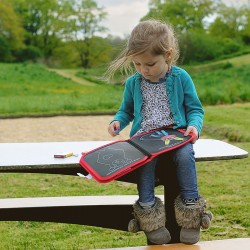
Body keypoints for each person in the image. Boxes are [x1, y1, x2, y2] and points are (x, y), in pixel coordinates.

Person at [107, 20, 212, 245]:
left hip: (176, 136)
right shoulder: (134, 83)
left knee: (185, 157)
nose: (144, 70)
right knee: (144, 165)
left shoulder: (181, 77)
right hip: (144, 139)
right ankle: (149, 218)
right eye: (137, 64)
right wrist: (118, 121)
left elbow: (195, 109)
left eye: (150, 64)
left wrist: (194, 126)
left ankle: (192, 214)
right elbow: (126, 110)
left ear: (168, 55)